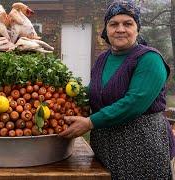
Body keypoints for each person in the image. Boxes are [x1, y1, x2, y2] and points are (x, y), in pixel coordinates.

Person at [59, 1, 174, 179]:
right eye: (113, 24)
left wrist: (89, 122)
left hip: (142, 148)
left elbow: (134, 103)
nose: (120, 29)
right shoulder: (103, 59)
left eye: (128, 23)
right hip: (106, 148)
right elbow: (94, 91)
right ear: (106, 30)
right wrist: (61, 96)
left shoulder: (149, 59)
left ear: (137, 28)